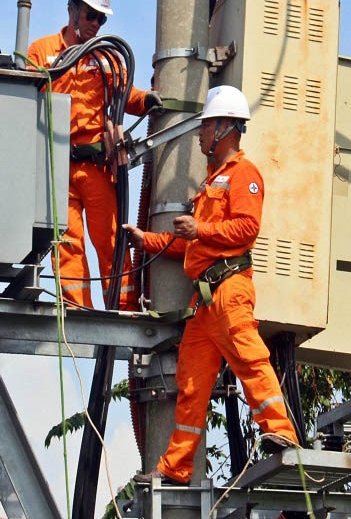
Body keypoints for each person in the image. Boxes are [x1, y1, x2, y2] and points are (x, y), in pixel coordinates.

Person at [123, 85, 299, 485]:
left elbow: (247, 228)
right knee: (190, 386)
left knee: (250, 360)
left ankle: (282, 433)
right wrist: (145, 240)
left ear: (224, 127)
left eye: (205, 126)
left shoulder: (243, 174)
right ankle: (177, 466)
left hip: (230, 289)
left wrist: (200, 228)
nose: (201, 134)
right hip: (205, 303)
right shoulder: (211, 182)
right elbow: (187, 243)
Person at [27, 0, 161, 310]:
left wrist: (146, 100)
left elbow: (124, 95)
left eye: (101, 18)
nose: (96, 24)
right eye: (91, 15)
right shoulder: (42, 52)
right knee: (67, 243)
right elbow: (23, 92)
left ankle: (125, 308)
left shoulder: (107, 57)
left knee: (111, 240)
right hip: (56, 166)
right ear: (72, 9)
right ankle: (76, 309)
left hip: (97, 167)